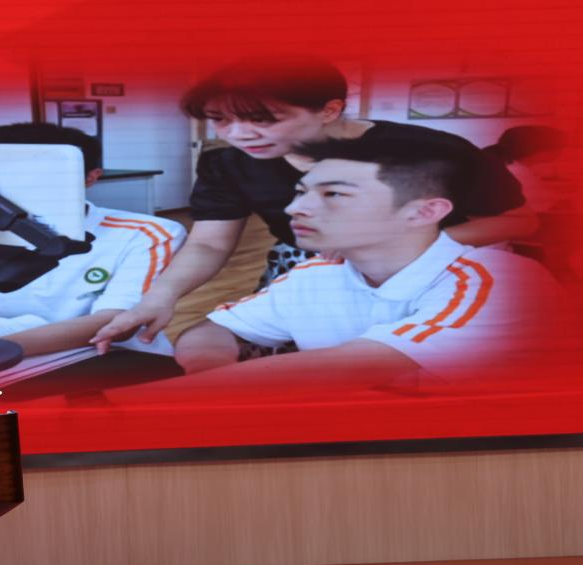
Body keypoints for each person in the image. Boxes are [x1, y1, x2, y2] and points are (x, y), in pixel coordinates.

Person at [91, 56, 536, 354]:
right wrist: (160, 298)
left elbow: (521, 222)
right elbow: (209, 243)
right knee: (293, 356)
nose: (238, 134)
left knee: (410, 359)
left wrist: (378, 245)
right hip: (309, 266)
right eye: (220, 120)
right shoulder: (228, 163)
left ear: (329, 109)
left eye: (262, 118)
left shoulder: (430, 150)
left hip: (432, 266)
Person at [170, 136, 563, 387]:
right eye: (301, 192)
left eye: (335, 194)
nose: (295, 208)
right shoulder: (315, 274)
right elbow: (212, 330)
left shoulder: (501, 282)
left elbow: (356, 366)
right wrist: (208, 370)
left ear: (424, 212)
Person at [0, 122, 187, 357]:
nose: (7, 189)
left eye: (29, 175)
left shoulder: (145, 234)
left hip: (101, 358)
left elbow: (114, 322)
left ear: (90, 177)